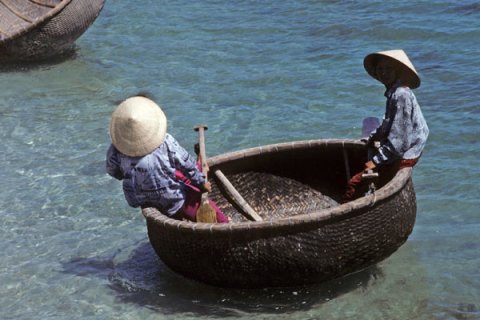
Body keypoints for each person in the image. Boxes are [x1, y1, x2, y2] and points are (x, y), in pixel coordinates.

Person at [106, 95, 228, 223]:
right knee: (220, 219)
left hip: (137, 199)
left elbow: (113, 172)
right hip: (170, 198)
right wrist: (202, 184)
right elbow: (186, 165)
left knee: (176, 174)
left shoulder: (115, 148)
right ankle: (225, 226)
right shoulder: (165, 141)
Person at [343, 50, 429, 202]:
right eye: (381, 69)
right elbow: (389, 123)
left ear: (397, 71)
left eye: (388, 69)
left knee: (354, 183)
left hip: (408, 152)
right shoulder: (393, 92)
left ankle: (346, 211)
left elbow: (400, 143)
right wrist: (374, 137)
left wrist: (374, 161)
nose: (384, 73)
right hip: (403, 145)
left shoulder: (401, 95)